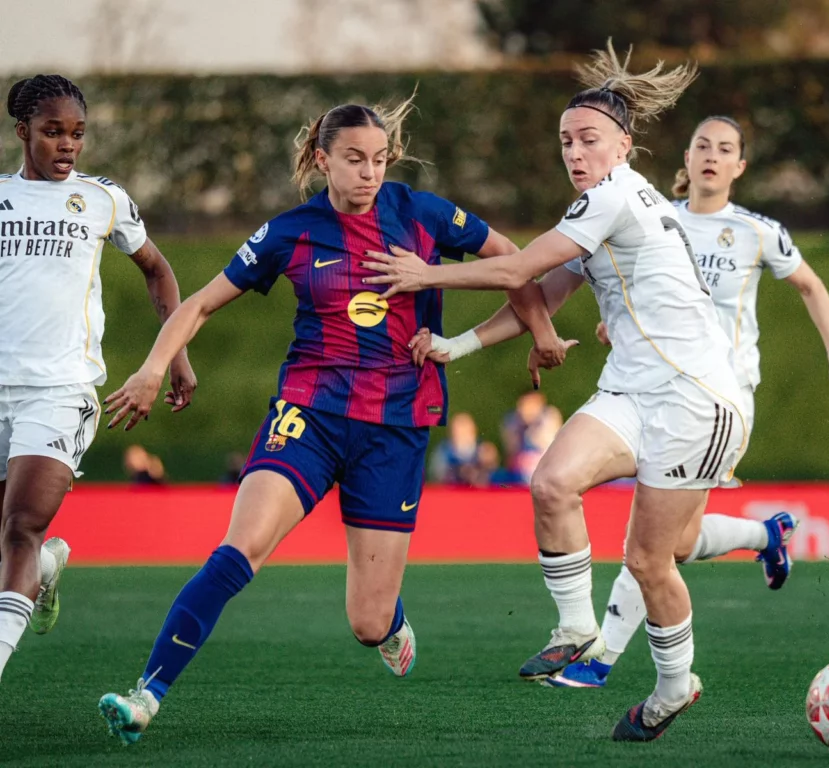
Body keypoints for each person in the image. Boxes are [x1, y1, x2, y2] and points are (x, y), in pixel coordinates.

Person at [96, 93, 562, 744]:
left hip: (396, 427)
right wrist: (153, 366)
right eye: (354, 159)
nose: (370, 173)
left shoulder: (420, 213)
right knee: (240, 548)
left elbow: (514, 258)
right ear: (322, 160)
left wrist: (539, 331)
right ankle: (147, 693)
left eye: (379, 160)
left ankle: (391, 619)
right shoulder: (293, 231)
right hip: (308, 415)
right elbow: (200, 303)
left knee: (367, 623)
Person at [364, 41, 747, 741]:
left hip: (697, 399)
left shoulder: (616, 196)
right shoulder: (598, 207)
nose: (574, 150)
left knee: (649, 561)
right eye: (566, 139)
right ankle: (575, 628)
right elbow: (543, 293)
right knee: (551, 485)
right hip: (634, 391)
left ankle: (672, 687)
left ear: (624, 147)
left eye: (589, 139)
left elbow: (520, 268)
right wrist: (457, 346)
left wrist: (425, 275)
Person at [549, 115, 829, 688]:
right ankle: (767, 535)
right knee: (681, 541)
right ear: (686, 159)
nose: (711, 156)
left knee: (652, 543)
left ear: (741, 167)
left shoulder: (756, 230)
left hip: (719, 391)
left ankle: (601, 657)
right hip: (654, 382)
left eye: (725, 149)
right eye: (701, 146)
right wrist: (614, 323)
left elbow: (811, 286)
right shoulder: (653, 213)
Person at [0, 75, 196, 685]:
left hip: (60, 391)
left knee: (20, 527)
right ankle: (47, 571)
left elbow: (158, 271)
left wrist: (177, 355)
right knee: (12, 546)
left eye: (77, 133)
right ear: (22, 132)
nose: (68, 145)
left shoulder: (104, 199)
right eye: (53, 132)